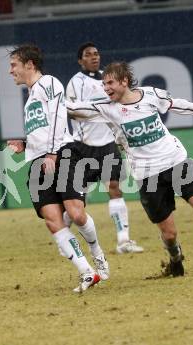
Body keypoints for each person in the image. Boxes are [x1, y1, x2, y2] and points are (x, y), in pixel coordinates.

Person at [67, 61, 193, 276]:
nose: (106, 88)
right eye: (103, 84)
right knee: (169, 234)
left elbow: (180, 104)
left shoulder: (150, 95)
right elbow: (73, 110)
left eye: (110, 83)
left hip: (176, 160)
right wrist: (51, 101)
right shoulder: (104, 108)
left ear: (124, 81)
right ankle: (175, 259)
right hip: (147, 175)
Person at [6, 44, 109, 292]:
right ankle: (86, 272)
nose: (11, 71)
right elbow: (42, 127)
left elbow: (57, 118)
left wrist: (52, 153)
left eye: (14, 65)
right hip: (37, 160)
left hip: (61, 153)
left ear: (29, 64)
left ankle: (98, 254)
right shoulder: (31, 96)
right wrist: (26, 143)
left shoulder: (49, 83)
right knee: (52, 220)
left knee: (75, 213)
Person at [66, 42, 143, 254]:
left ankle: (123, 241)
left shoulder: (107, 79)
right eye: (88, 55)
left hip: (108, 143)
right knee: (77, 197)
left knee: (114, 187)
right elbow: (71, 111)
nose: (94, 57)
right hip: (83, 146)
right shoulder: (76, 82)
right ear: (80, 60)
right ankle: (63, 236)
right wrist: (98, 111)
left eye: (96, 53)